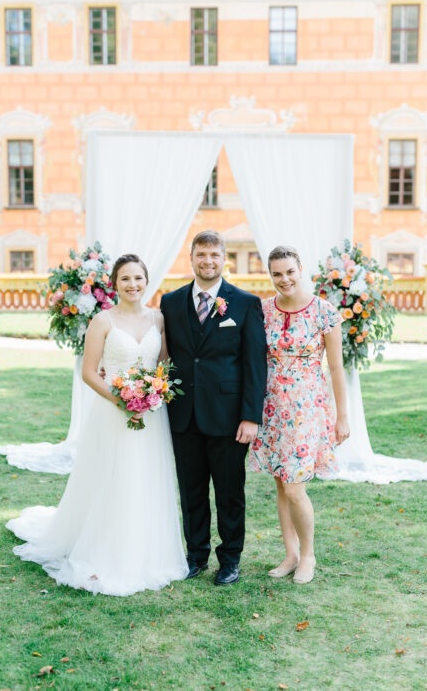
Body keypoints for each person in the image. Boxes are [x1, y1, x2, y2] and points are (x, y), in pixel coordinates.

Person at [6, 254, 189, 595]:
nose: (133, 285)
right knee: (113, 477)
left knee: (147, 477)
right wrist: (123, 400)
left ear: (146, 281)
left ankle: (147, 550)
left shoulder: (159, 319)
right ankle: (105, 549)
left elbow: (164, 364)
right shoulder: (102, 321)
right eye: (125, 279)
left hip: (151, 414)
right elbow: (89, 372)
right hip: (112, 411)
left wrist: (152, 394)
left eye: (138, 278)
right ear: (115, 284)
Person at [160, 230, 267, 586]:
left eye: (214, 255)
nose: (208, 261)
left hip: (229, 417)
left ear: (225, 259)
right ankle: (195, 555)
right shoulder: (171, 303)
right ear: (191, 258)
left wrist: (251, 416)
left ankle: (231, 558)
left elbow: (255, 365)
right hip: (183, 414)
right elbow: (164, 357)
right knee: (191, 489)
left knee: (229, 491)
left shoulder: (245, 303)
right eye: (201, 254)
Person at [249, 245, 349, 585]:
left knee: (295, 489)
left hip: (306, 409)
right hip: (271, 407)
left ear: (300, 268)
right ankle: (290, 553)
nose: (284, 279)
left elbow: (336, 368)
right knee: (281, 485)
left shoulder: (324, 311)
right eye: (276, 273)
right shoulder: (262, 309)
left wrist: (342, 416)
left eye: (289, 271)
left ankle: (308, 554)